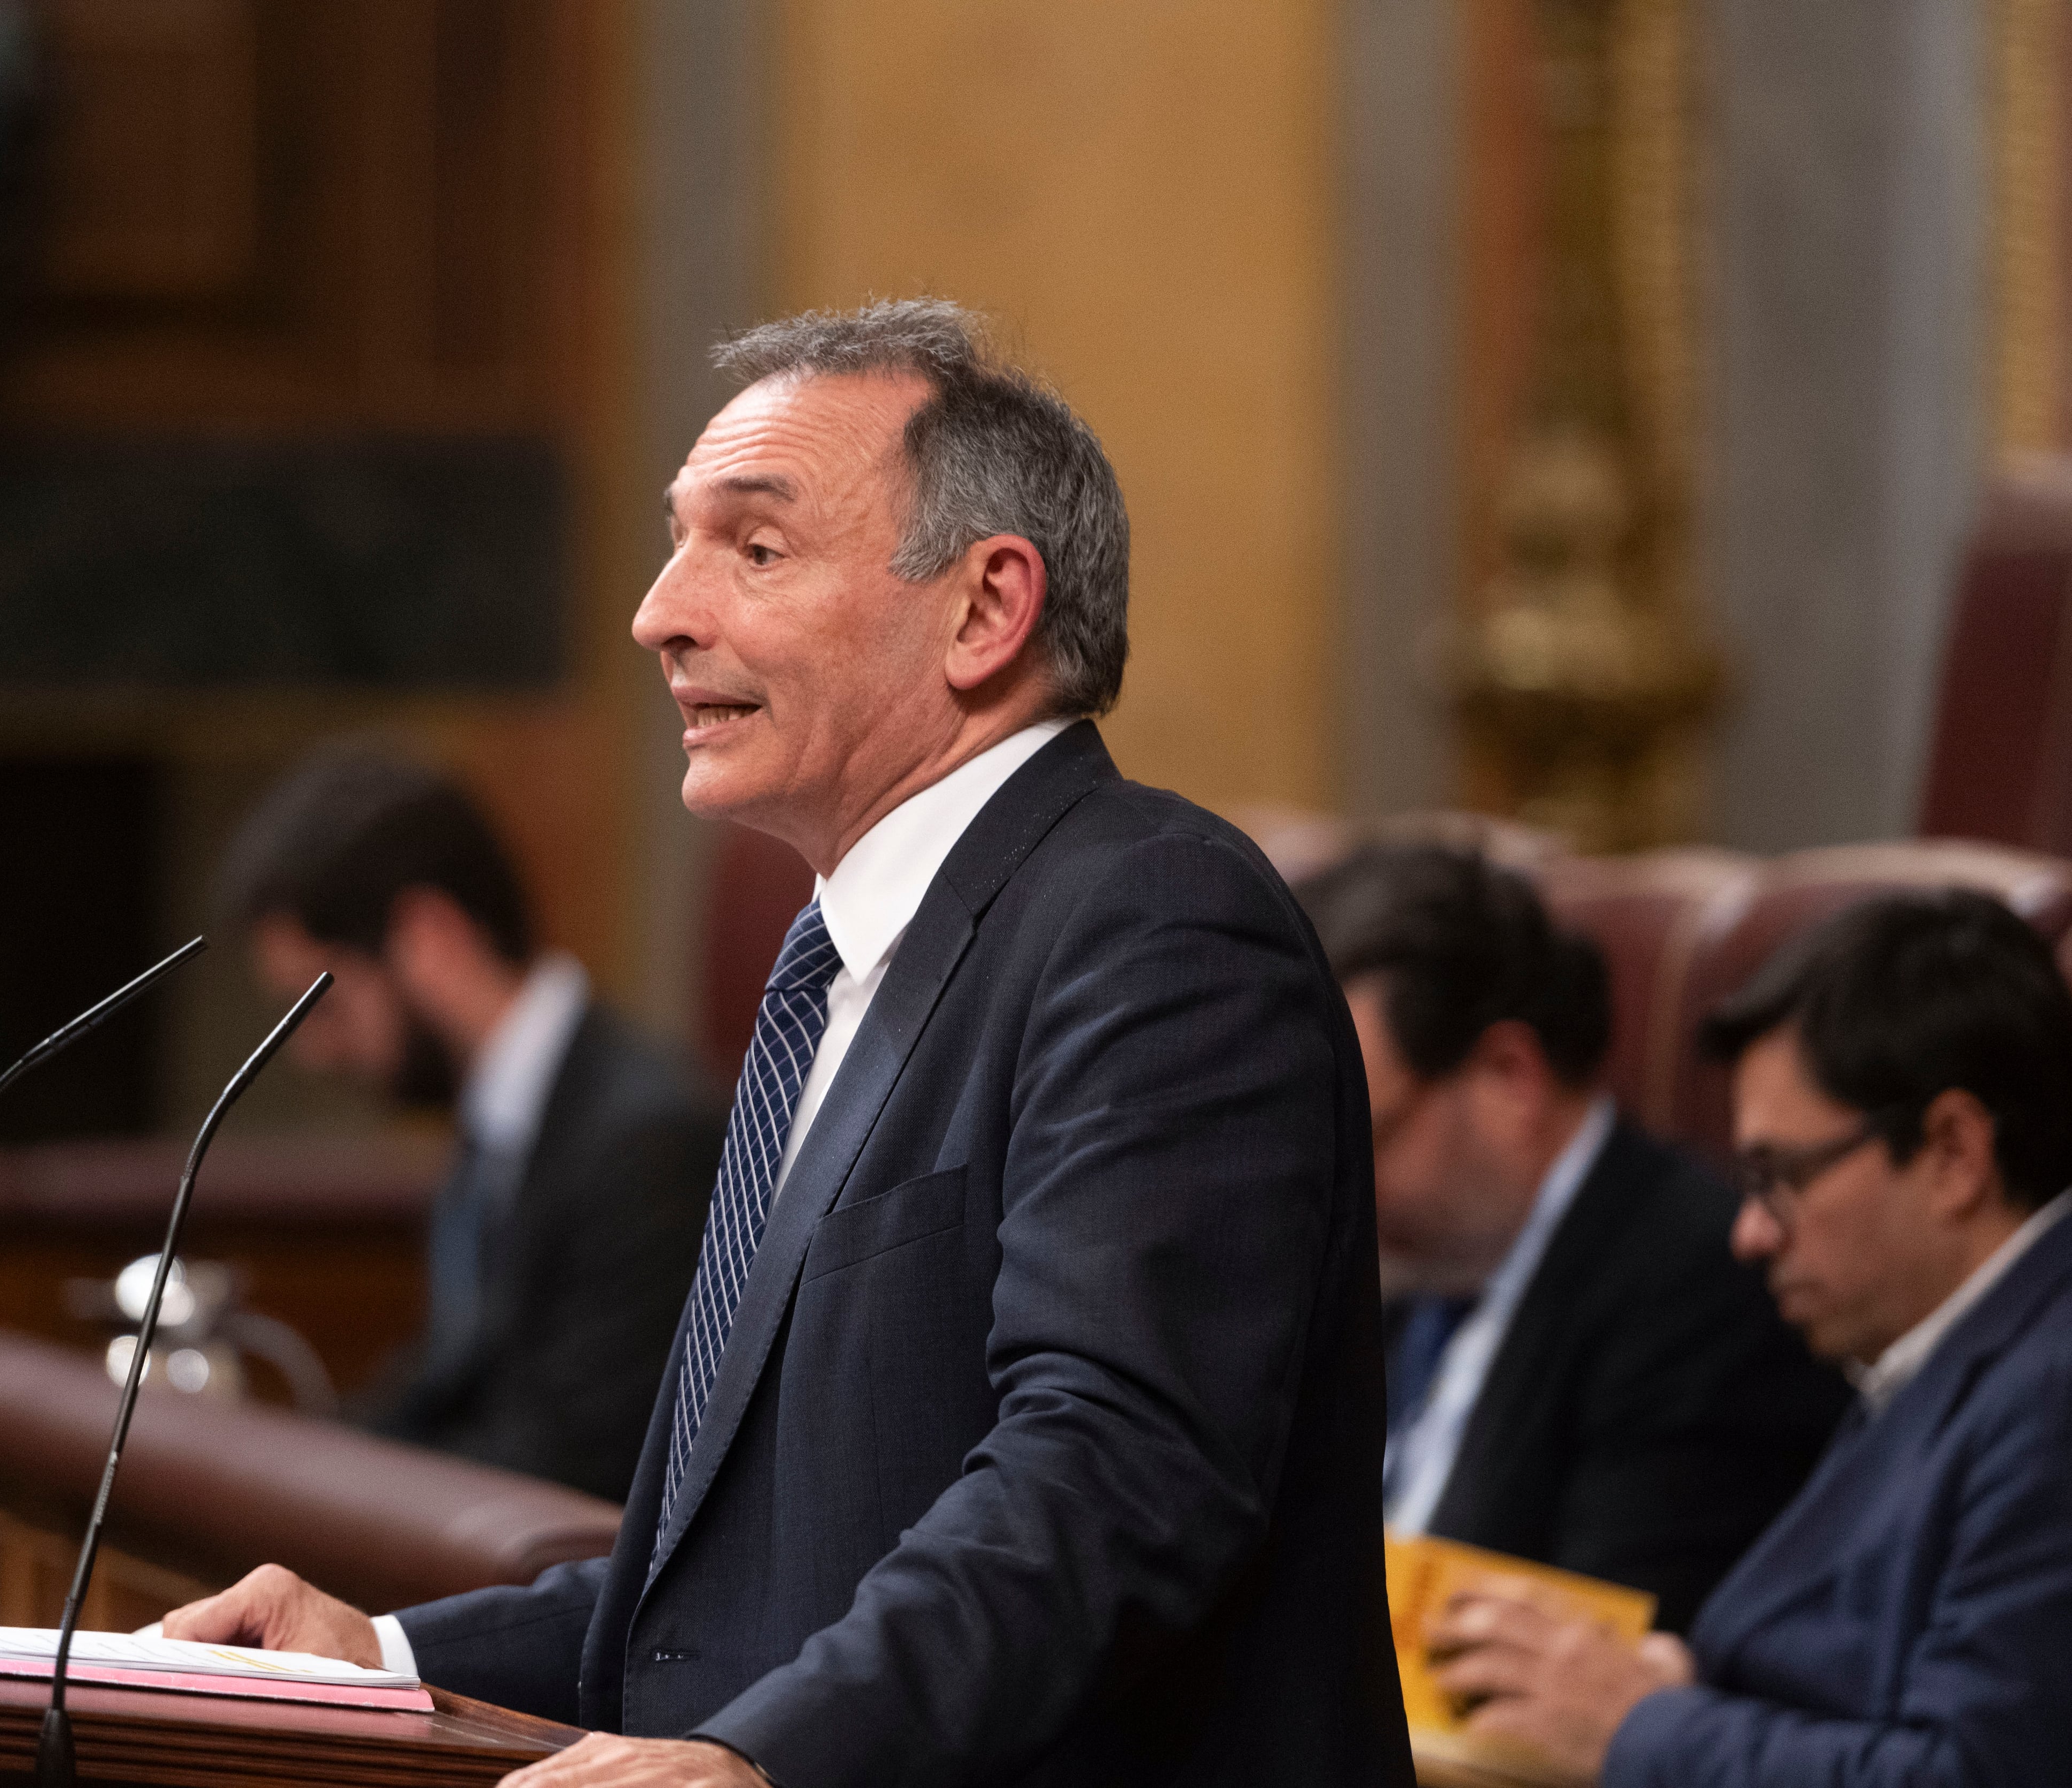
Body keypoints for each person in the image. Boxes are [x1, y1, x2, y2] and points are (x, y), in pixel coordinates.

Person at [169, 300, 1410, 1787]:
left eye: (753, 549)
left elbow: (1114, 1479)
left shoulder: (1155, 922)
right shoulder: (846, 966)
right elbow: (744, 1596)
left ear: (983, 608)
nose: (660, 612)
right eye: (678, 540)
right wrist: (389, 1655)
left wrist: (763, 1761)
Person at [1426, 890, 2072, 1786]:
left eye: (1780, 1177)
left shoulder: (2049, 1392)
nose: (1750, 1235)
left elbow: (1973, 1775)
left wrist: (1639, 1727)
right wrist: (1682, 1690)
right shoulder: (1942, 1346)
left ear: (1954, 1152)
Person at [1296, 844, 1847, 1630]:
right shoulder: (1413, 1272)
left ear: (1509, 1074)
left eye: (1364, 1141)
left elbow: (1597, 1676)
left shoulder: (1700, 1292)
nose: (1329, 1192)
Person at [221, 743, 720, 1502]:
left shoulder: (645, 1142)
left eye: (321, 1004)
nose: (316, 1054)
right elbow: (449, 1382)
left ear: (428, 935)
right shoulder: (498, 1116)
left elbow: (577, 1466)